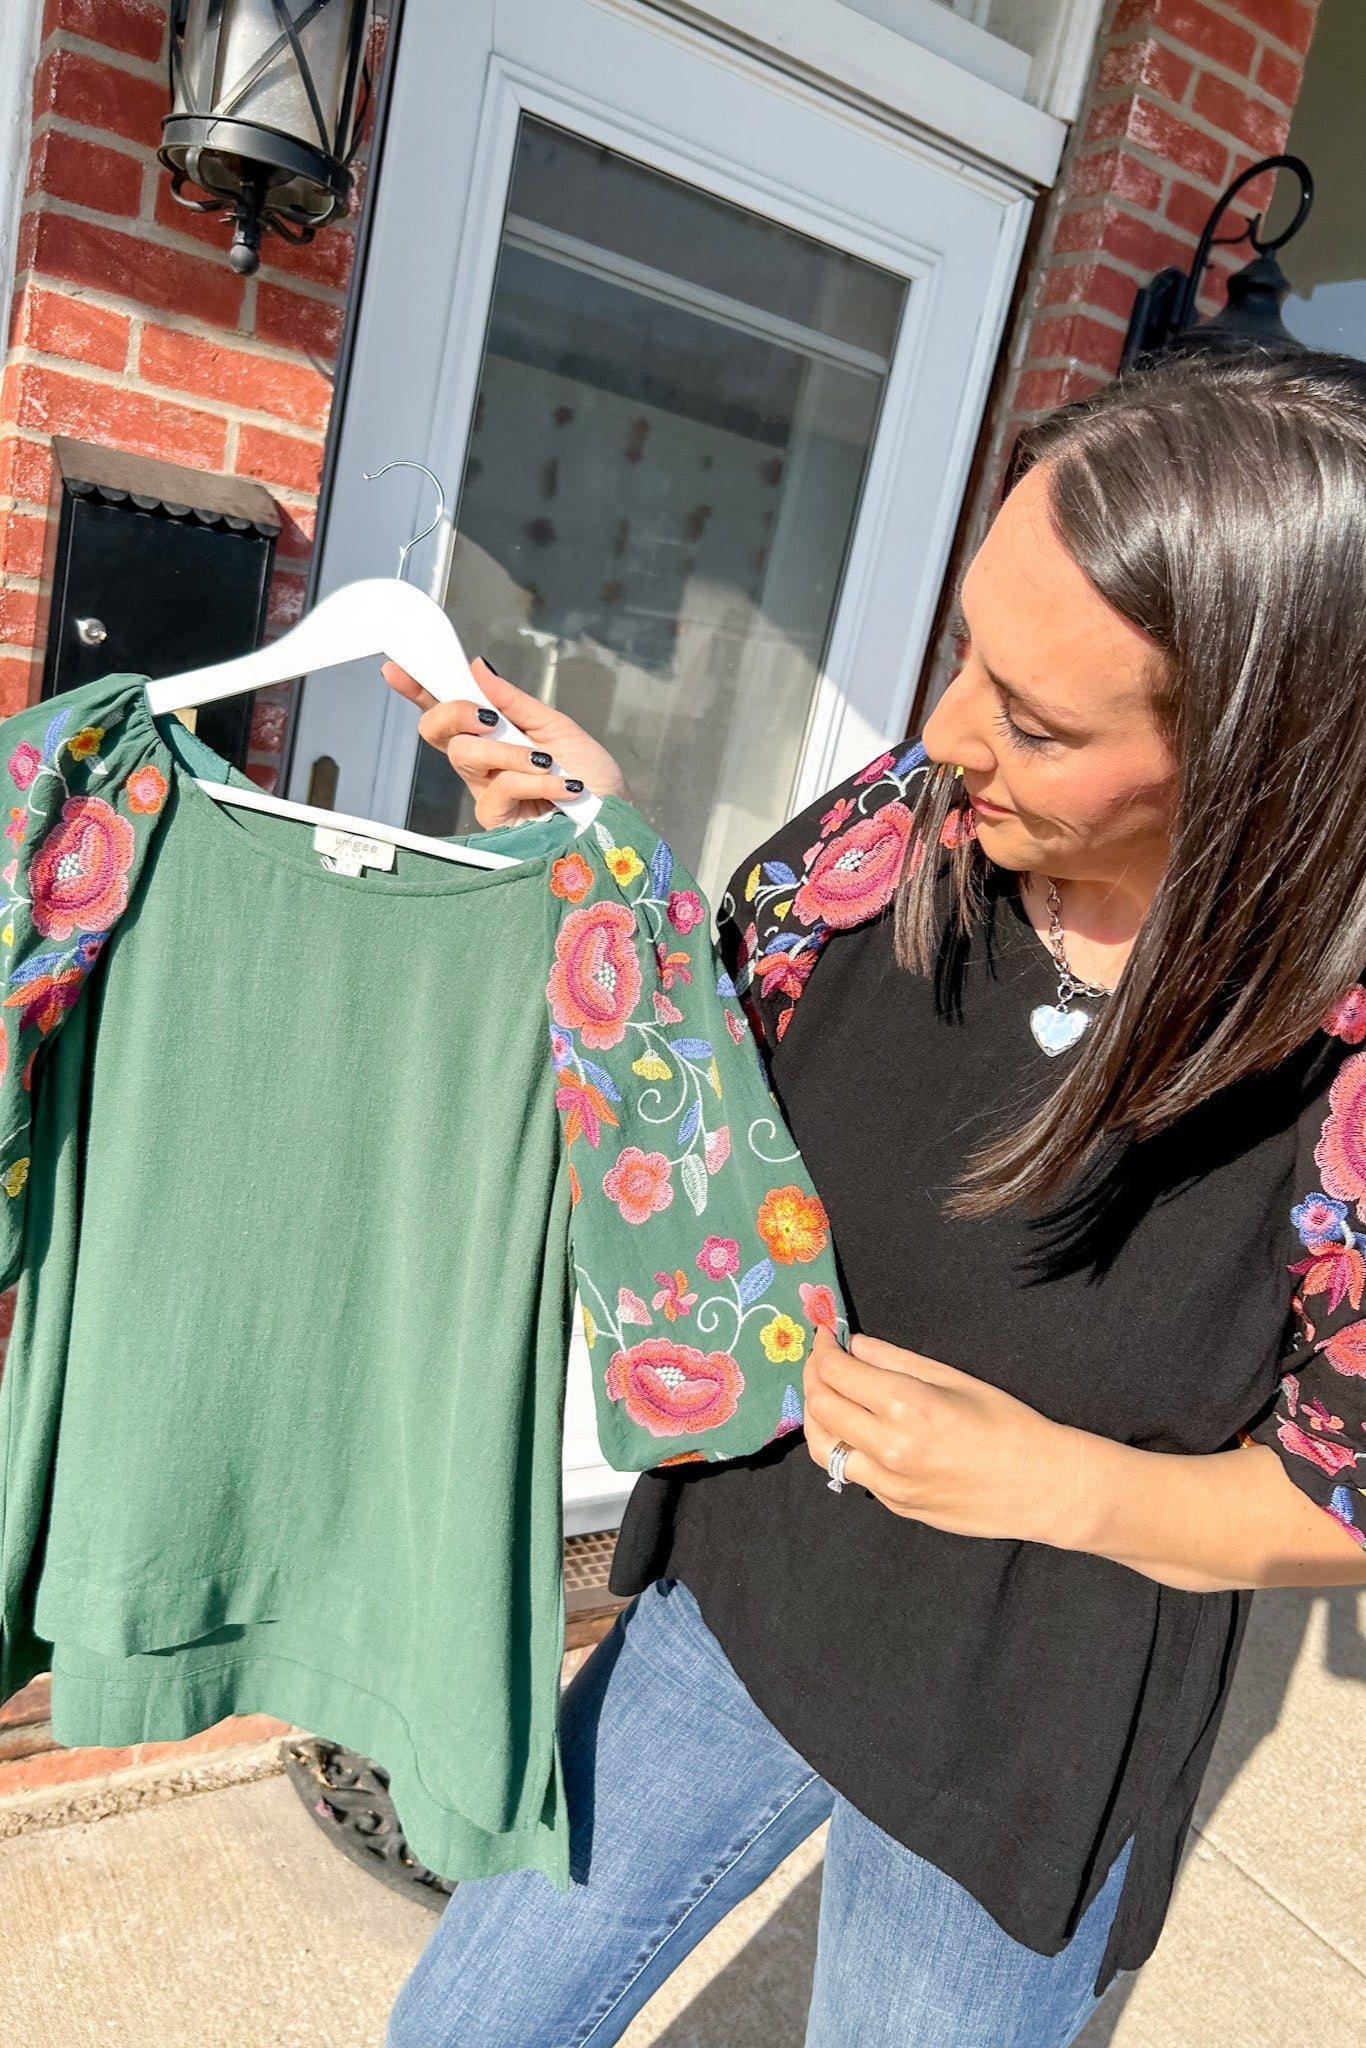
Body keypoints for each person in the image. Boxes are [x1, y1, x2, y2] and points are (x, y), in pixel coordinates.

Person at [382, 352, 1366, 2048]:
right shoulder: (892, 835)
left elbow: (1337, 1496)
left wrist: (1052, 1483)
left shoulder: (1334, 1070)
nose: (944, 734)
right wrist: (605, 848)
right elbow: (732, 1034)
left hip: (1010, 1718)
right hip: (743, 1589)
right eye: (967, 647)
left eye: (1038, 721)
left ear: (1265, 761)